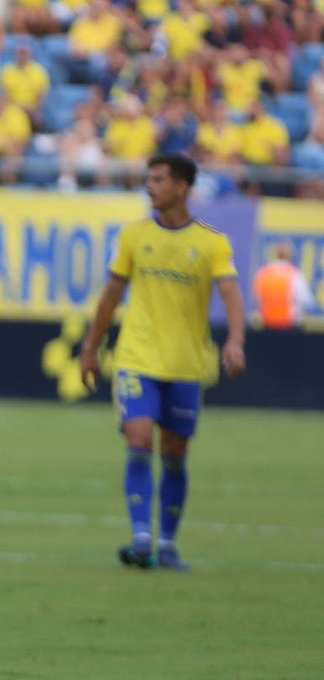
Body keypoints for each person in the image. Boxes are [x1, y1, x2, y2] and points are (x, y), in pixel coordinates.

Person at [79, 153, 246, 571]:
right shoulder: (134, 236)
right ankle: (140, 539)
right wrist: (90, 347)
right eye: (148, 178)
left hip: (187, 364)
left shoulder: (211, 242)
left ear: (182, 186)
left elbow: (230, 293)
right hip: (137, 359)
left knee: (174, 451)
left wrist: (236, 341)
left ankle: (167, 544)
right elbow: (111, 295)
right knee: (138, 437)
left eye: (158, 179)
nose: (149, 186)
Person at [252, 241, 316, 329]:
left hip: (267, 324)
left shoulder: (263, 273)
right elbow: (306, 300)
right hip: (289, 325)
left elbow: (257, 295)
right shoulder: (293, 274)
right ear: (289, 255)